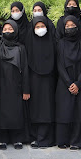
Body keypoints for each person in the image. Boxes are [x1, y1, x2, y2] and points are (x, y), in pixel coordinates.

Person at [0, 20, 30, 150]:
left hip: (16, 85)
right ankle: (2, 139)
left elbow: (25, 69)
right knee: (1, 112)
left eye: (10, 29)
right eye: (5, 29)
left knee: (16, 112)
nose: (7, 31)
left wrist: (26, 89)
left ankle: (17, 138)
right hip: (1, 84)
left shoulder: (21, 48)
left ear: (15, 30)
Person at [55, 16, 81, 149]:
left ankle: (77, 141)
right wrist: (69, 83)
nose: (70, 28)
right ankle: (63, 140)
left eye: (72, 25)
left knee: (79, 112)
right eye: (67, 26)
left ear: (78, 26)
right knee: (64, 111)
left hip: (80, 82)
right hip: (65, 83)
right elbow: (59, 64)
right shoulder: (60, 44)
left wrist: (78, 83)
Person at [25, 17, 57, 148]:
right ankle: (35, 136)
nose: (40, 29)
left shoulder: (53, 42)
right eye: (37, 27)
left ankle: (45, 138)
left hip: (49, 81)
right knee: (35, 109)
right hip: (33, 80)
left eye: (42, 26)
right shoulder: (28, 43)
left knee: (47, 109)